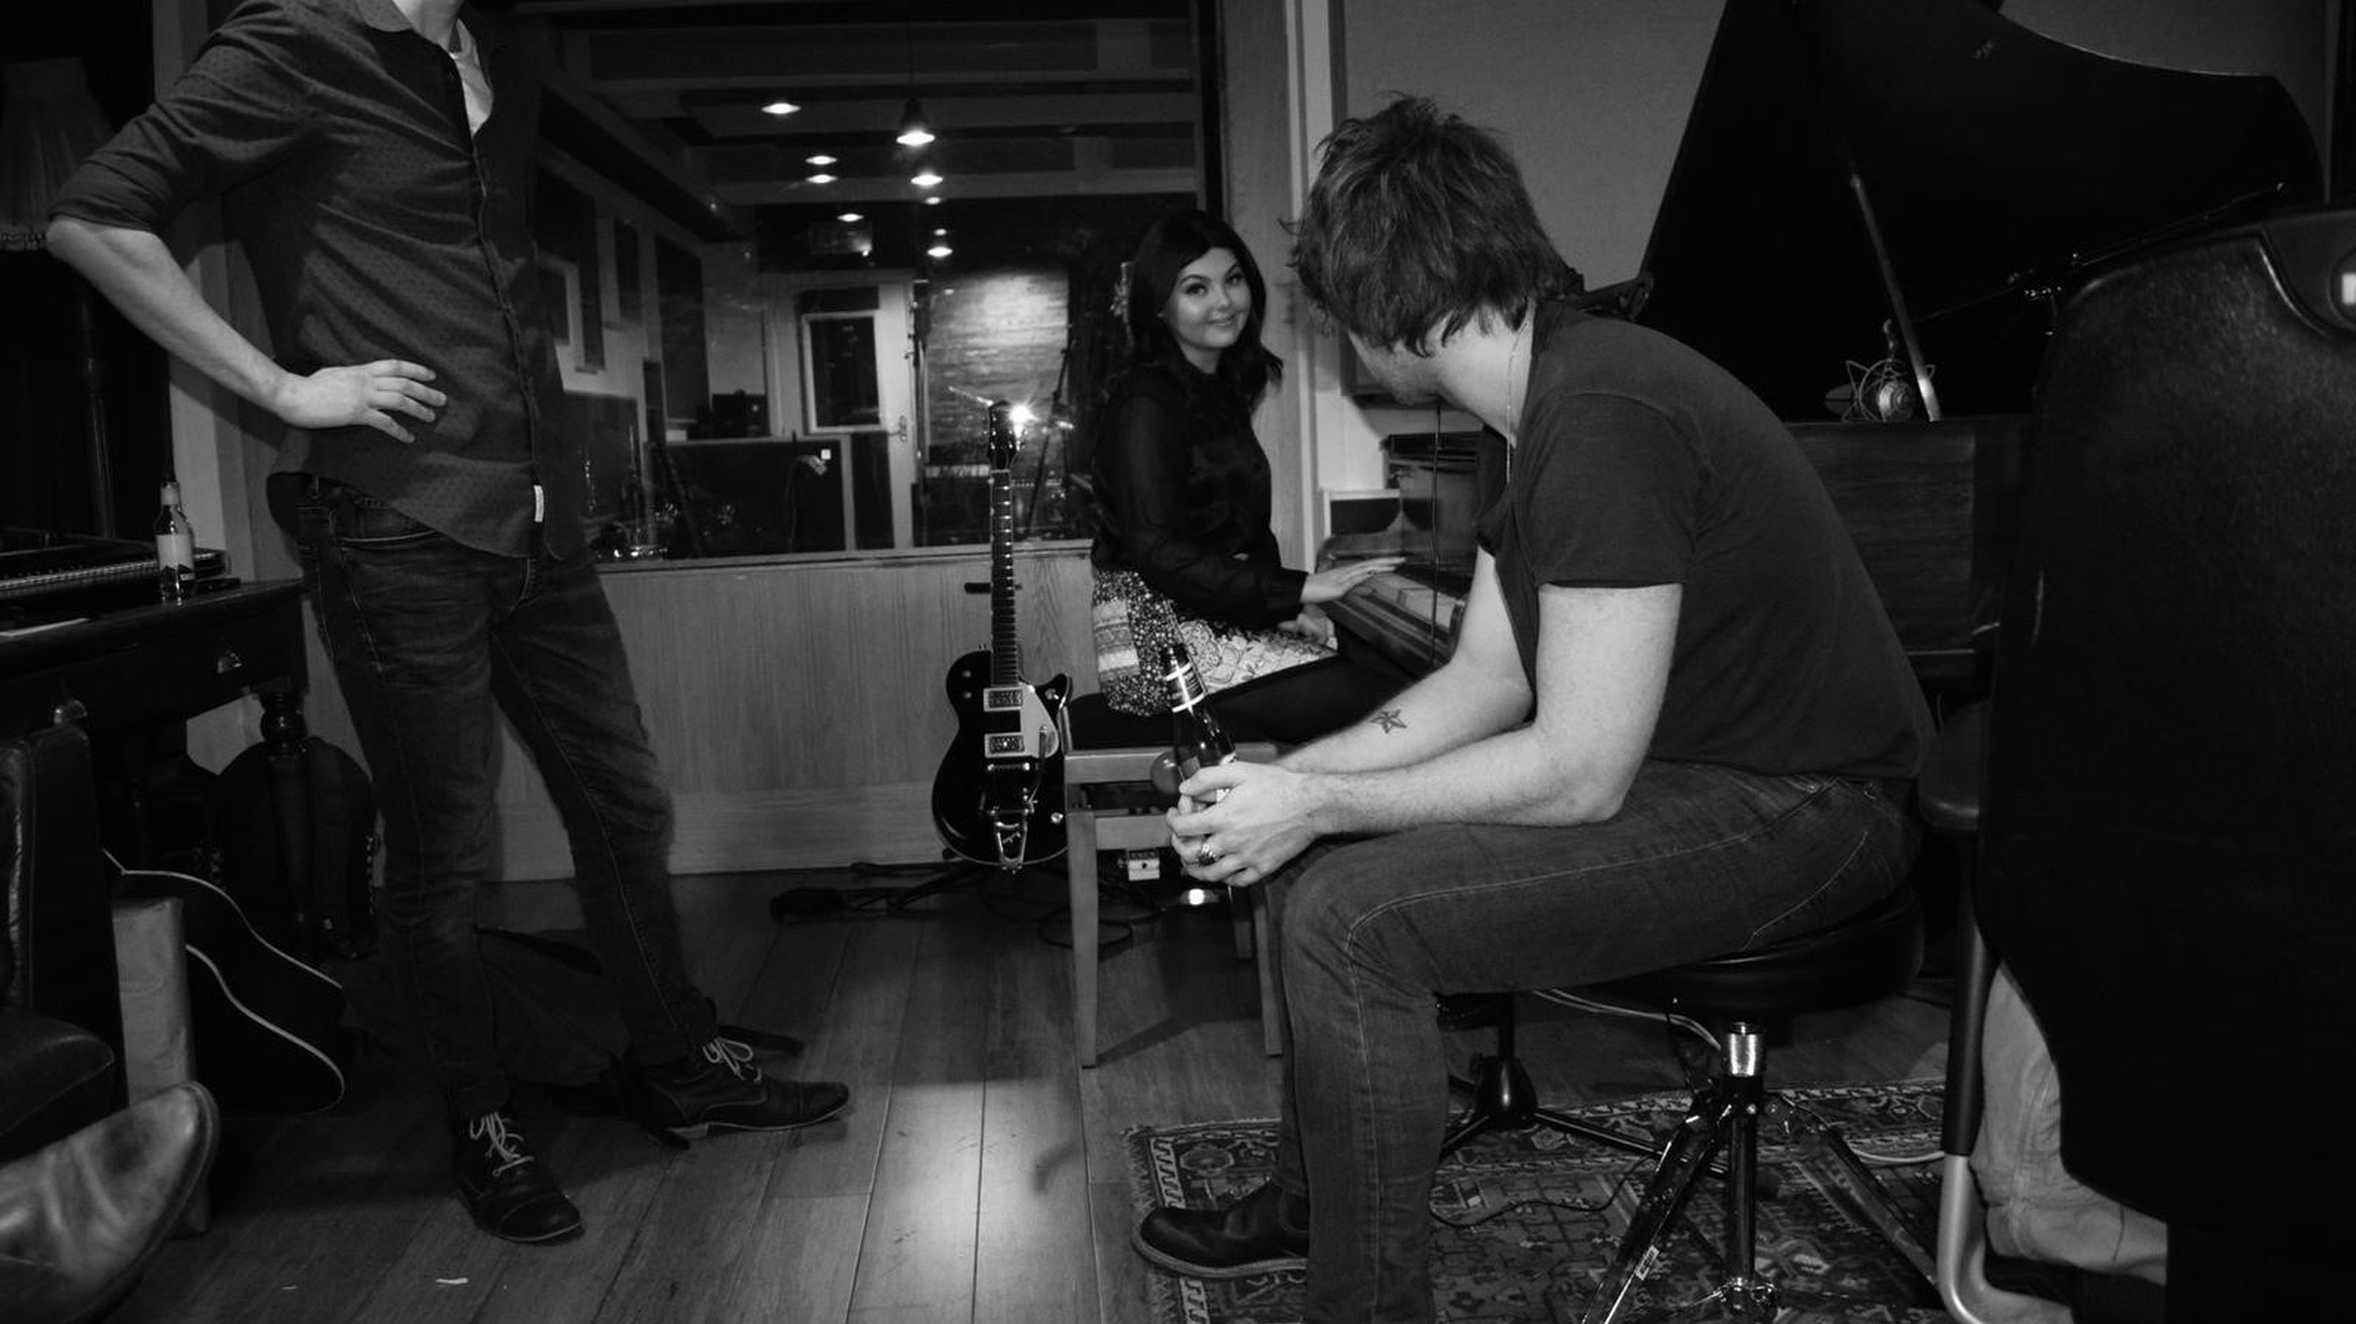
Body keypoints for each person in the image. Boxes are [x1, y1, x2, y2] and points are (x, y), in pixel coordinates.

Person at [45, 0, 847, 1247]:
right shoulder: (294, 42)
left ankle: (677, 1057)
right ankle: (482, 1122)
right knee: (444, 852)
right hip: (393, 522)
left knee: (623, 800)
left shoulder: (489, 53)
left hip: (540, 523)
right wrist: (281, 386)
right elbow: (91, 213)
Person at [1130, 97, 1932, 1322]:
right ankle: (1310, 1208)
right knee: (1312, 869)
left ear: (1382, 308)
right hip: (1707, 779)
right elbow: (1484, 680)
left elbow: (1576, 773)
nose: (1334, 332)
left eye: (1334, 303)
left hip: (1810, 807)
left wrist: (1322, 800)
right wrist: (1289, 793)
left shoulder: (1603, 415)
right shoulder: (1538, 406)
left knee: (1351, 920)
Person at [1090, 207, 1404, 744]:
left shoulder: (1222, 388)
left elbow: (1238, 534)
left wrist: (1278, 611)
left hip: (1214, 622)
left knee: (1394, 684)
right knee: (1390, 710)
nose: (1223, 301)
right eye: (1196, 288)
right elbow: (1159, 551)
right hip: (1156, 641)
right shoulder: (1144, 400)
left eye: (1233, 280)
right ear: (1159, 307)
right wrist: (1298, 587)